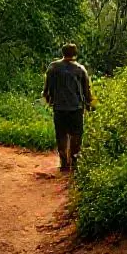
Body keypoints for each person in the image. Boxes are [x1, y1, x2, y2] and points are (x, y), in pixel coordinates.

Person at [42, 43, 94, 172]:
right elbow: (86, 90)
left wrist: (47, 99)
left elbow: (47, 87)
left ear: (62, 53)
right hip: (76, 108)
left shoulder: (53, 67)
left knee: (61, 134)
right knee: (76, 135)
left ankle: (64, 162)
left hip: (59, 107)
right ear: (75, 54)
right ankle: (74, 160)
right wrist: (90, 104)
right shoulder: (80, 69)